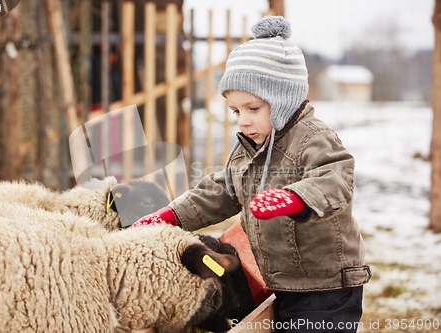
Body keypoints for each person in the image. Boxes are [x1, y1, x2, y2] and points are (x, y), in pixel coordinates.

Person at [131, 15, 371, 333]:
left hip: (326, 286)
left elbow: (335, 180)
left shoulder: (312, 138)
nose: (242, 121)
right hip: (281, 281)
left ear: (283, 99)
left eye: (253, 108)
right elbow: (222, 191)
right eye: (236, 111)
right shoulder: (250, 146)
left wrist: (293, 199)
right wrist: (171, 215)